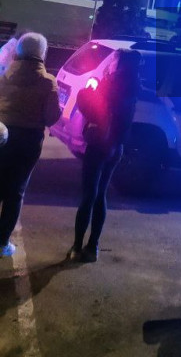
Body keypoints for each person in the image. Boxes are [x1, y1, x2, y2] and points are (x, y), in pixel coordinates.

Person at [68, 49, 141, 262]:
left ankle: (76, 246)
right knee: (101, 195)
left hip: (99, 145)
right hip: (116, 147)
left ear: (119, 64)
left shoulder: (110, 84)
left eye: (114, 60)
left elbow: (90, 106)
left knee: (88, 195)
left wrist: (88, 90)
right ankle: (93, 246)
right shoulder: (134, 86)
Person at [0, 31, 61, 258]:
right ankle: (1, 243)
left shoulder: (4, 76)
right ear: (42, 53)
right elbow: (51, 118)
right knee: (15, 191)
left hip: (2, 135)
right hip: (28, 141)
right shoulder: (47, 82)